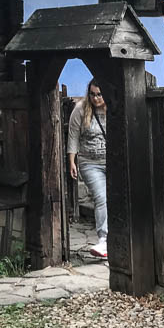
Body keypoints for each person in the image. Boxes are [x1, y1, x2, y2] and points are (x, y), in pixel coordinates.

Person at [68, 78, 107, 258]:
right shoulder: (81, 110)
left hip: (112, 161)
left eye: (99, 94)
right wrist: (72, 161)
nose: (96, 98)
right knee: (101, 197)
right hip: (90, 163)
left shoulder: (114, 107)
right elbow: (73, 136)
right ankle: (104, 240)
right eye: (92, 94)